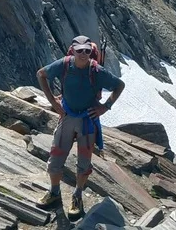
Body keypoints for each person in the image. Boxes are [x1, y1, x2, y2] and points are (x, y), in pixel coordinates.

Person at [35, 38, 126, 217]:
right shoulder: (64, 64)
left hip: (87, 119)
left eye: (86, 51)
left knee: (84, 163)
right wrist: (53, 102)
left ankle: (77, 195)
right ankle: (54, 192)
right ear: (73, 51)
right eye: (79, 51)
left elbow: (119, 85)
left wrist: (105, 107)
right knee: (55, 158)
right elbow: (41, 74)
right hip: (68, 116)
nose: (83, 54)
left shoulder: (97, 70)